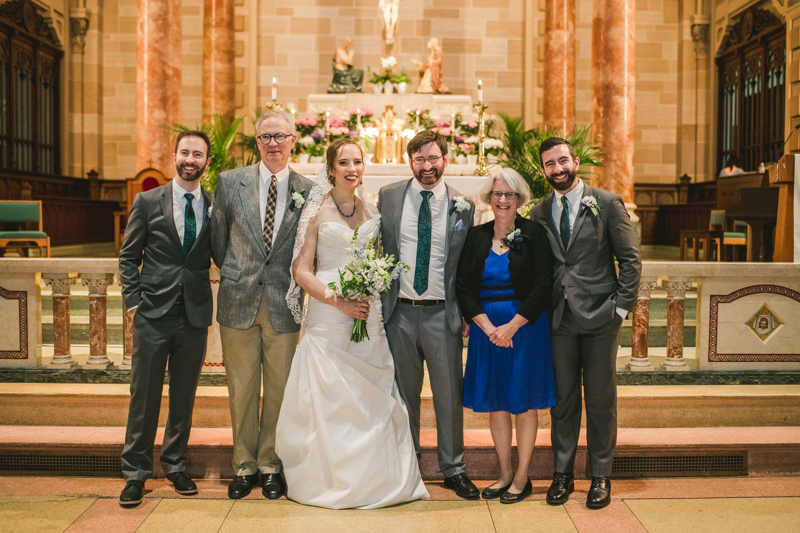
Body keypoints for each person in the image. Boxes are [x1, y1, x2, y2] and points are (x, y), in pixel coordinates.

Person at [275, 138, 428, 509]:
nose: (351, 169)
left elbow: (379, 262)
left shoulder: (373, 210)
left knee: (371, 394)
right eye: (343, 162)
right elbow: (301, 270)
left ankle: (377, 478)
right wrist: (337, 300)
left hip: (367, 315)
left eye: (357, 162)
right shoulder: (316, 212)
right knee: (331, 397)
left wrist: (370, 286)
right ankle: (329, 477)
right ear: (330, 169)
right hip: (330, 317)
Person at [529, 137, 641, 510]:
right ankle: (562, 474)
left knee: (600, 400)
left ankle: (600, 476)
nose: (557, 169)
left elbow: (630, 260)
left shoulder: (607, 203)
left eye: (563, 161)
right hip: (558, 318)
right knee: (562, 402)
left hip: (600, 317)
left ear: (575, 161)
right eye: (550, 164)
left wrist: (620, 309)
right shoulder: (540, 211)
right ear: (543, 170)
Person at [211, 110, 314, 500]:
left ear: (293, 141)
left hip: (283, 301)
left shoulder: (307, 188)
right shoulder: (230, 182)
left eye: (280, 136)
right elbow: (218, 241)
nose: (273, 143)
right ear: (257, 142)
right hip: (239, 298)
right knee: (240, 387)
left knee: (279, 389)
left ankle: (270, 464)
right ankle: (243, 465)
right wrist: (240, 273)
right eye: (266, 137)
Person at [378, 130, 478, 500]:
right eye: (420, 159)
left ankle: (454, 469)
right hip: (399, 313)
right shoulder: (389, 196)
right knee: (404, 396)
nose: (427, 166)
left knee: (449, 395)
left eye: (433, 158)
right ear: (410, 162)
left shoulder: (464, 205)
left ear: (446, 160)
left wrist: (468, 312)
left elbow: (466, 264)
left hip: (442, 313)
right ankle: (409, 466)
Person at [118, 130, 215, 506]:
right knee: (144, 396)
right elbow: (128, 256)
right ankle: (135, 473)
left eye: (198, 154)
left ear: (207, 161)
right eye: (185, 152)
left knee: (183, 396)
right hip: (152, 314)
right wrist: (132, 303)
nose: (191, 159)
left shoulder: (213, 205)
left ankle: (175, 464)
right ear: (174, 156)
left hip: (193, 314)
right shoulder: (147, 201)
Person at [456, 168, 555, 504]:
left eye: (509, 194)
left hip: (524, 327)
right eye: (497, 194)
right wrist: (487, 327)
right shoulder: (476, 236)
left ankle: (523, 475)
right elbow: (464, 286)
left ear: (519, 199)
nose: (502, 200)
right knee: (497, 403)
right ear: (489, 197)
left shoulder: (534, 234)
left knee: (524, 403)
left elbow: (544, 284)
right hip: (488, 330)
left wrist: (512, 326)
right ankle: (503, 473)